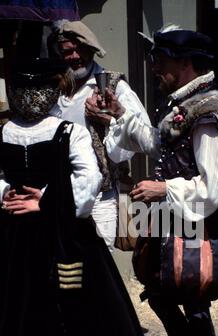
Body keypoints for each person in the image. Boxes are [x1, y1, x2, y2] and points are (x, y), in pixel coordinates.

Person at [0, 57, 176, 336]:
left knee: (84, 325)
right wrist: (7, 195)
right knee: (23, 325)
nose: (29, 98)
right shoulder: (5, 132)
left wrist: (43, 203)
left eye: (36, 89)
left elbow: (89, 179)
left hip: (64, 241)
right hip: (17, 242)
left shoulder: (68, 132)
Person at [93, 26, 218, 336]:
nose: (154, 66)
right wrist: (119, 116)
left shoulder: (206, 113)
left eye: (160, 59)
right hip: (170, 221)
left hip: (196, 223)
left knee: (196, 305)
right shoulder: (182, 106)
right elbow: (151, 140)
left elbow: (214, 185)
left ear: (184, 63)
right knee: (162, 296)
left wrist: (164, 188)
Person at [48, 20, 151, 252]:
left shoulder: (113, 86)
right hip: (58, 192)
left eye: (80, 49)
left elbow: (143, 136)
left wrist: (110, 121)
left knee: (97, 265)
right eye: (67, 51)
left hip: (100, 197)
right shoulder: (53, 89)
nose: (75, 56)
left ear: (91, 50)